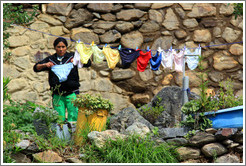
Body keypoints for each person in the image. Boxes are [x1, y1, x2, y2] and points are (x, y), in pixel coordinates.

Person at [33, 37, 91, 123]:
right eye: (58, 47)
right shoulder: (51, 59)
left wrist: (78, 60)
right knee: (59, 118)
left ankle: (73, 135)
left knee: (74, 116)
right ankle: (60, 136)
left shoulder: (72, 56)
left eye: (63, 47)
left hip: (72, 93)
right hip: (57, 94)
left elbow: (88, 63)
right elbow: (36, 68)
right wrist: (45, 65)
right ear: (55, 48)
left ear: (66, 47)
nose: (61, 49)